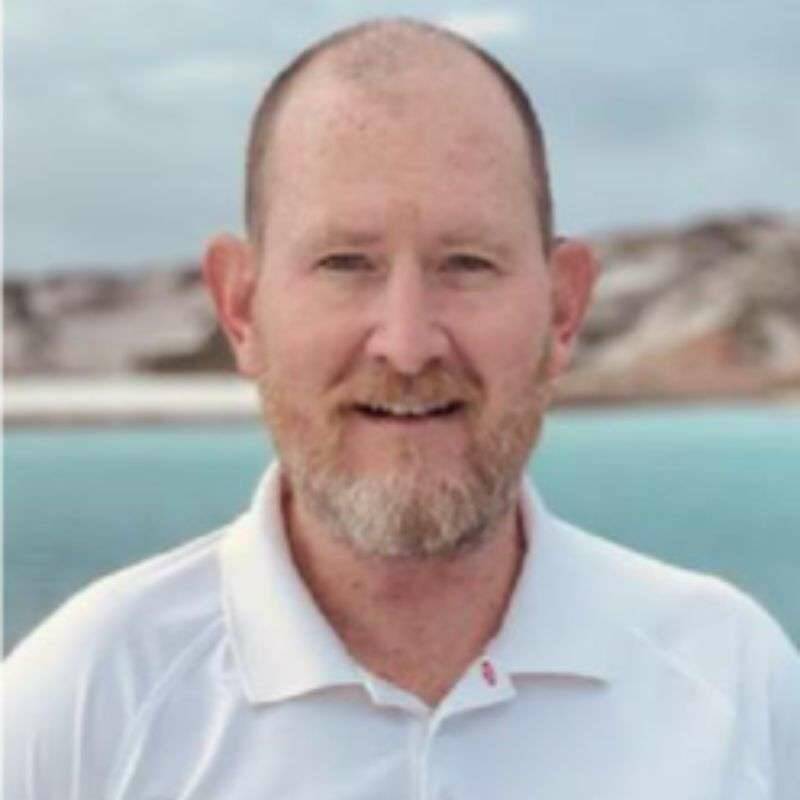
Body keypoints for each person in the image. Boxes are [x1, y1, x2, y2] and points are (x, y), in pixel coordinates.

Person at [5, 17, 799, 800]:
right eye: (345, 262)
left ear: (564, 310)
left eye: (468, 263)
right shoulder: (82, 703)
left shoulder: (731, 681)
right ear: (240, 308)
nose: (409, 344)